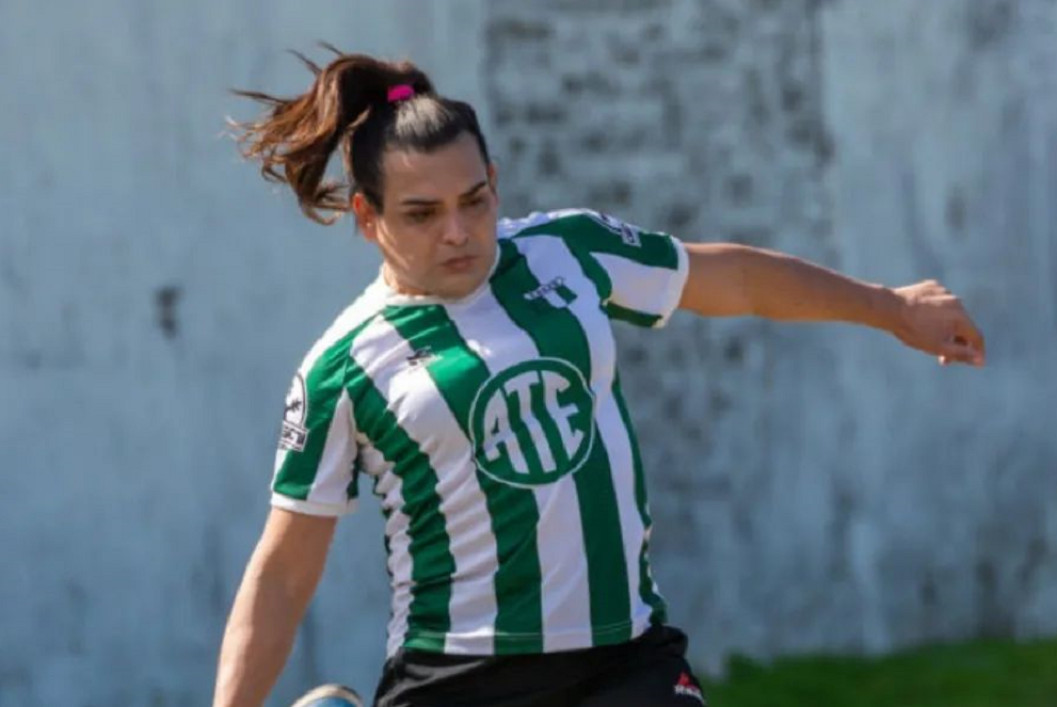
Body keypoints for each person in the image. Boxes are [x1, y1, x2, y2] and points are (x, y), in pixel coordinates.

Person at [212, 46, 986, 707]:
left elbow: (739, 280)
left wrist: (891, 307)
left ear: (496, 183)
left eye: (474, 200)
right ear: (367, 217)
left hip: (628, 660)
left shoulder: (566, 252)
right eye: (422, 213)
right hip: (462, 679)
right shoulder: (341, 368)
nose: (458, 230)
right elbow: (282, 573)